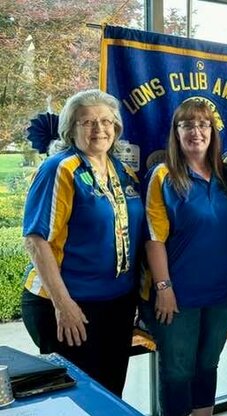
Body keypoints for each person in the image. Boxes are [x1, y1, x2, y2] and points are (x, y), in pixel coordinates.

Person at [21, 89, 144, 397]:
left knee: (111, 394)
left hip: (116, 304)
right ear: (70, 129)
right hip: (67, 304)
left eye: (105, 121)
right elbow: (36, 240)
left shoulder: (123, 171)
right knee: (79, 400)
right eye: (86, 122)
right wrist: (64, 306)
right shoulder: (60, 169)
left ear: (116, 128)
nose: (98, 129)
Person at [142, 99, 227, 416]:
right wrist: (163, 287)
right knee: (177, 370)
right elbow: (153, 238)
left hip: (220, 295)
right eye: (187, 126)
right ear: (176, 133)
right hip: (176, 298)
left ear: (213, 132)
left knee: (207, 367)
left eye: (203, 125)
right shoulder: (164, 175)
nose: (196, 132)